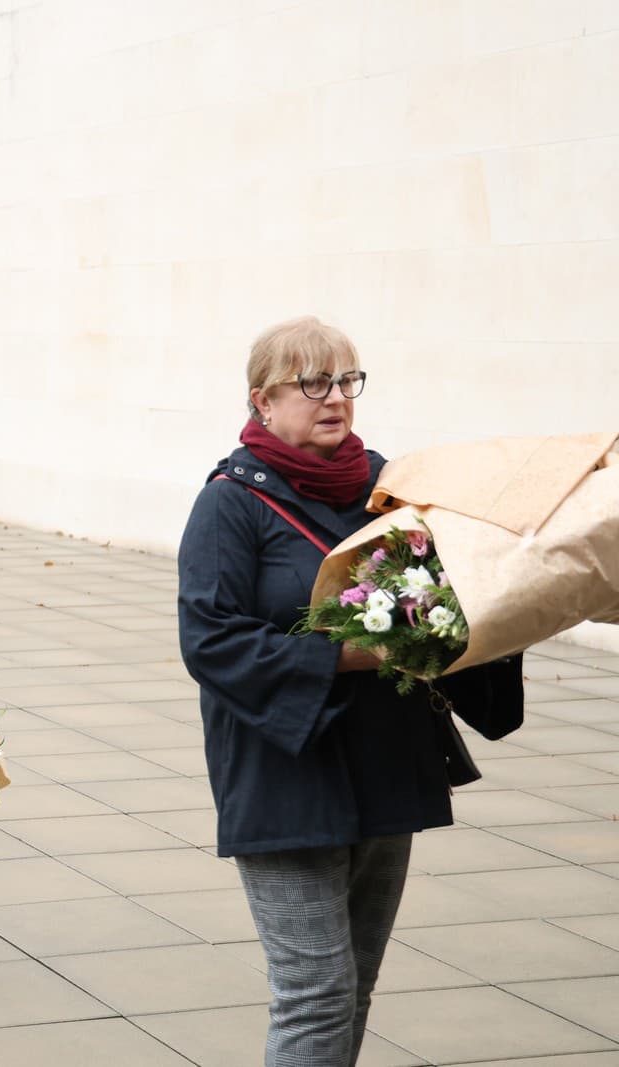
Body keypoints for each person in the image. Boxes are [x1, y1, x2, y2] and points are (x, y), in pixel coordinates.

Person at [176, 316, 523, 1065]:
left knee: (354, 984)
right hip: (284, 771)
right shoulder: (229, 504)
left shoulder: (391, 492)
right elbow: (211, 639)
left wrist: (502, 605)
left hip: (385, 763)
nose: (334, 398)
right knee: (315, 991)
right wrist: (355, 653)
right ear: (262, 400)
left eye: (346, 380)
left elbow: (452, 593)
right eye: (311, 382)